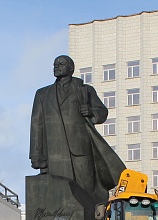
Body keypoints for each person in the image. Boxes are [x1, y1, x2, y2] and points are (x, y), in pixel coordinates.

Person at [30, 55, 124, 209]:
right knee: (59, 199)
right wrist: (36, 154)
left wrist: (91, 112)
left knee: (88, 193)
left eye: (61, 64)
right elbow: (36, 125)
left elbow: (102, 112)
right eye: (55, 64)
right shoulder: (42, 94)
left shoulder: (85, 90)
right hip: (55, 154)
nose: (56, 66)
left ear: (71, 68)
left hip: (81, 151)